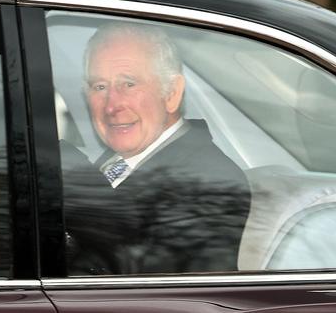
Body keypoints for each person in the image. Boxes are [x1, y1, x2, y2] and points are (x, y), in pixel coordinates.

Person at [63, 22, 251, 275]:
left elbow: (138, 286)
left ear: (172, 92)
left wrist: (70, 179)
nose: (112, 105)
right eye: (100, 87)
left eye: (128, 84)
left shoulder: (208, 180)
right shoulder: (118, 161)